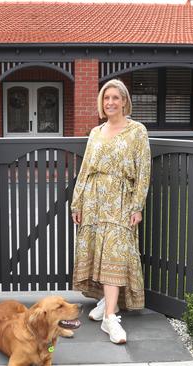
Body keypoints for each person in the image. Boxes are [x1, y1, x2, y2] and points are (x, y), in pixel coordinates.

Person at [70, 79, 151, 344]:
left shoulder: (137, 131)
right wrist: (77, 202)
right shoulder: (96, 132)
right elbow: (85, 169)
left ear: (125, 101)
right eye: (106, 98)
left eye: (116, 98)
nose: (111, 103)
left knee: (115, 254)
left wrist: (137, 205)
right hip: (93, 200)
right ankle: (108, 302)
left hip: (120, 200)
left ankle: (109, 319)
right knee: (99, 253)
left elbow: (143, 172)